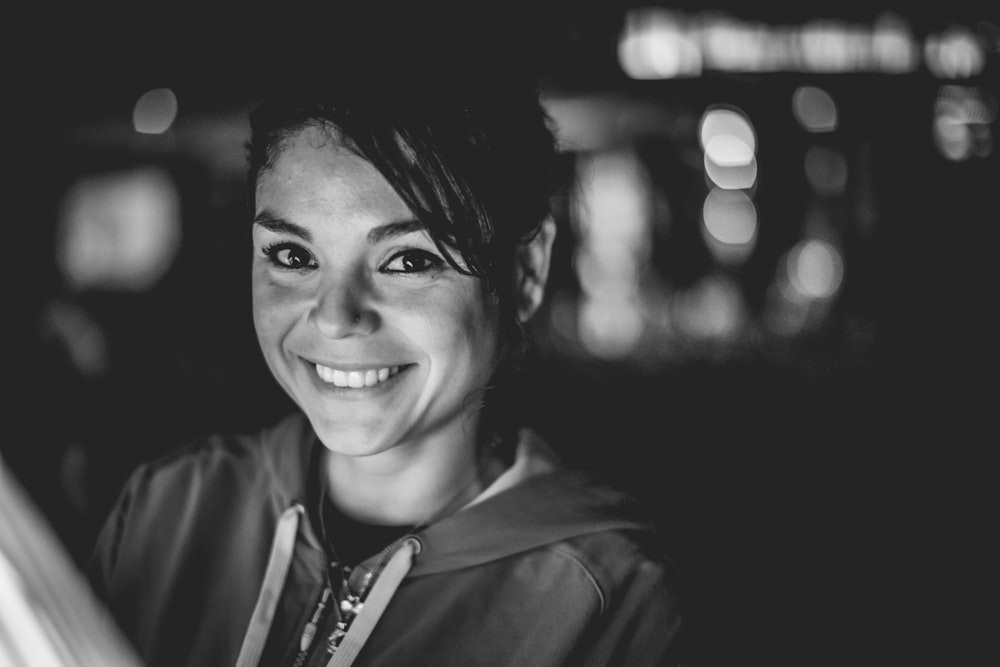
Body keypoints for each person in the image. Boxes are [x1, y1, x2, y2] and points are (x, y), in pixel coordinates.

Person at [87, 36, 686, 667]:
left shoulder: (610, 605)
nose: (336, 317)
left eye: (408, 260)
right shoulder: (167, 509)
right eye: (293, 256)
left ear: (525, 272)